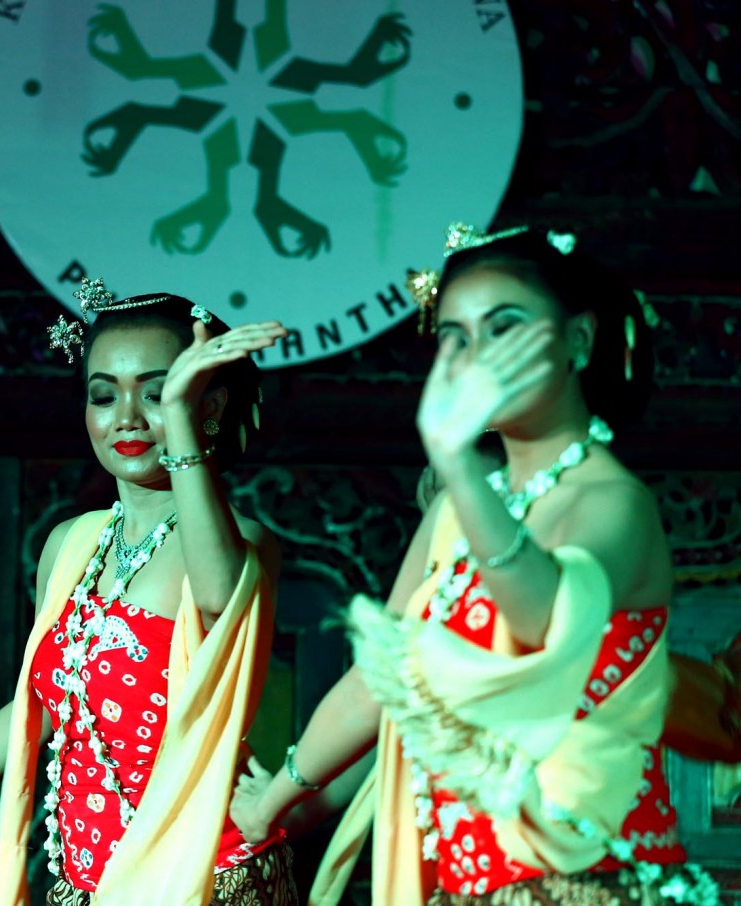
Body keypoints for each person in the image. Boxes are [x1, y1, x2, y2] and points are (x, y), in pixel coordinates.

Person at [230, 224, 719, 905]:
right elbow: (379, 678)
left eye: (503, 326)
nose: (474, 356)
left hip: (591, 882)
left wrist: (456, 459)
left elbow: (541, 619)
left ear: (578, 341)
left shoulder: (614, 503)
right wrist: (271, 801)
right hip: (465, 884)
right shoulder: (459, 511)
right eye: (455, 337)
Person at [0, 281, 297, 904]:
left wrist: (185, 431)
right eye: (104, 395)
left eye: (160, 393)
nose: (128, 418)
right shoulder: (70, 545)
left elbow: (220, 597)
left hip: (203, 878)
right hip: (83, 883)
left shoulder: (241, 543)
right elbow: (38, 709)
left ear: (207, 405)